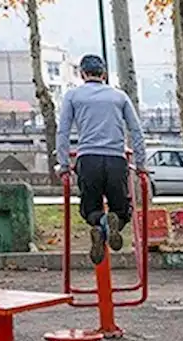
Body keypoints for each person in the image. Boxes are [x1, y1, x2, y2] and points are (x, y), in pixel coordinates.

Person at [56, 54, 147, 264]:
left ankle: (100, 224)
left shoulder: (73, 96)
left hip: (88, 159)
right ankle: (112, 222)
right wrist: (140, 164)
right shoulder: (119, 96)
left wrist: (63, 164)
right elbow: (136, 130)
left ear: (82, 74)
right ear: (104, 74)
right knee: (122, 210)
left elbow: (63, 131)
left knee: (89, 209)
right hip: (116, 159)